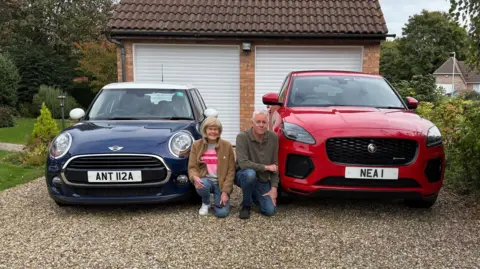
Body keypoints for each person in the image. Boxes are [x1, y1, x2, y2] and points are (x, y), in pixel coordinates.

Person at [235, 108, 279, 219]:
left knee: (270, 211)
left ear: (267, 124)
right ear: (252, 123)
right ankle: (246, 205)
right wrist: (266, 167)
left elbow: (275, 165)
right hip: (243, 175)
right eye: (258, 122)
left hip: (262, 180)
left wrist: (274, 188)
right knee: (250, 174)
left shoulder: (273, 138)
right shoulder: (242, 137)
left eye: (264, 122)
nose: (261, 125)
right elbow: (243, 163)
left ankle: (253, 197)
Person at [188, 116, 236, 217]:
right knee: (202, 183)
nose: (213, 132)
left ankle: (219, 198)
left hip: (220, 183)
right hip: (206, 181)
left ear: (219, 131)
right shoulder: (196, 145)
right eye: (210, 129)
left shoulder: (227, 146)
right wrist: (195, 177)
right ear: (205, 130)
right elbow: (192, 167)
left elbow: (231, 171)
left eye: (216, 129)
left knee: (221, 213)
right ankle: (206, 202)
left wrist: (225, 192)